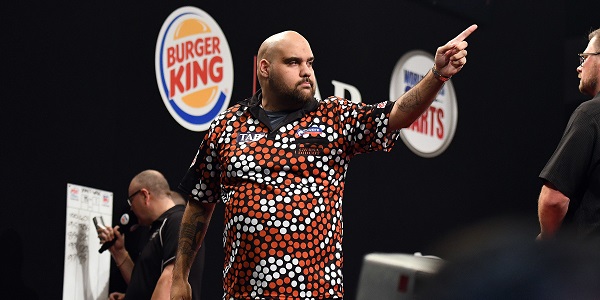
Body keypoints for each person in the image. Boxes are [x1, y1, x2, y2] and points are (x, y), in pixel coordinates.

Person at [170, 25, 477, 300]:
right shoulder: (227, 125)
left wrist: (438, 75)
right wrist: (180, 277)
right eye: (293, 62)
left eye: (310, 62)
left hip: (316, 293)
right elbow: (199, 203)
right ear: (264, 68)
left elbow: (397, 115)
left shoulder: (334, 117)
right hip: (242, 293)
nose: (306, 71)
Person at [96, 170, 204, 300]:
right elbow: (144, 284)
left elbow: (170, 281)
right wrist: (119, 252)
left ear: (145, 195)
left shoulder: (178, 220)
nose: (131, 209)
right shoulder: (158, 228)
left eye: (131, 201)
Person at [537, 28, 600, 241]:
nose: (579, 67)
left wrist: (547, 242)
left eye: (584, 57)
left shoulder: (590, 114)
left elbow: (554, 200)